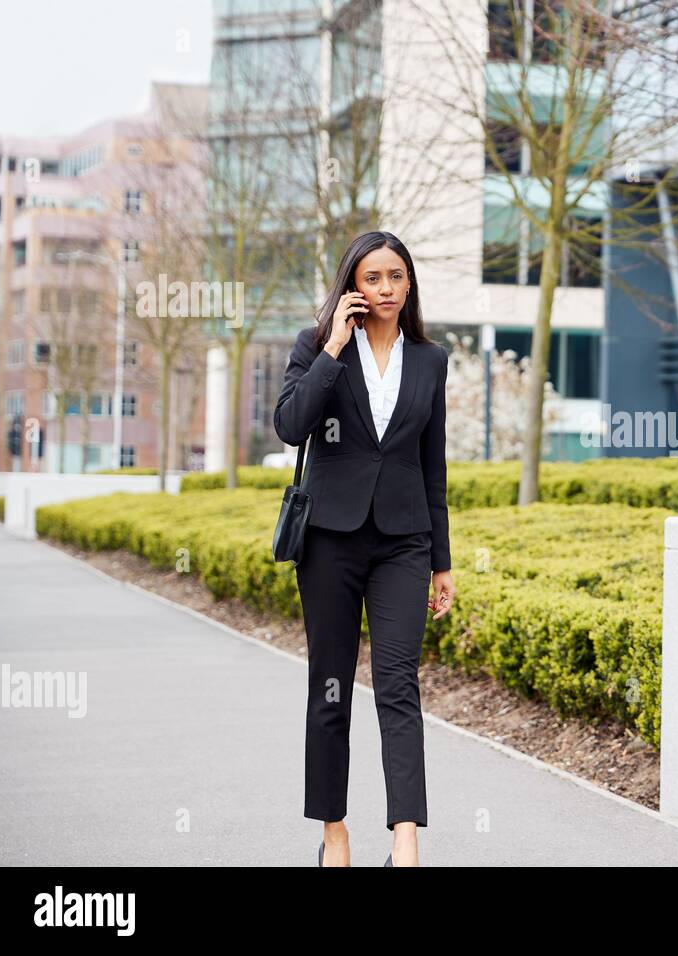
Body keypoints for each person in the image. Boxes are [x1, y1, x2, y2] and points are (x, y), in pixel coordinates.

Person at [273, 230, 456, 867]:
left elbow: (433, 468)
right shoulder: (318, 346)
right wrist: (332, 348)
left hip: (404, 542)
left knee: (399, 683)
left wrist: (443, 562)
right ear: (353, 284)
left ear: (409, 286)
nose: (384, 289)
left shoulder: (430, 360)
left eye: (395, 278)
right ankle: (334, 834)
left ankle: (405, 841)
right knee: (331, 685)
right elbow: (291, 425)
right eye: (372, 278)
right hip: (329, 540)